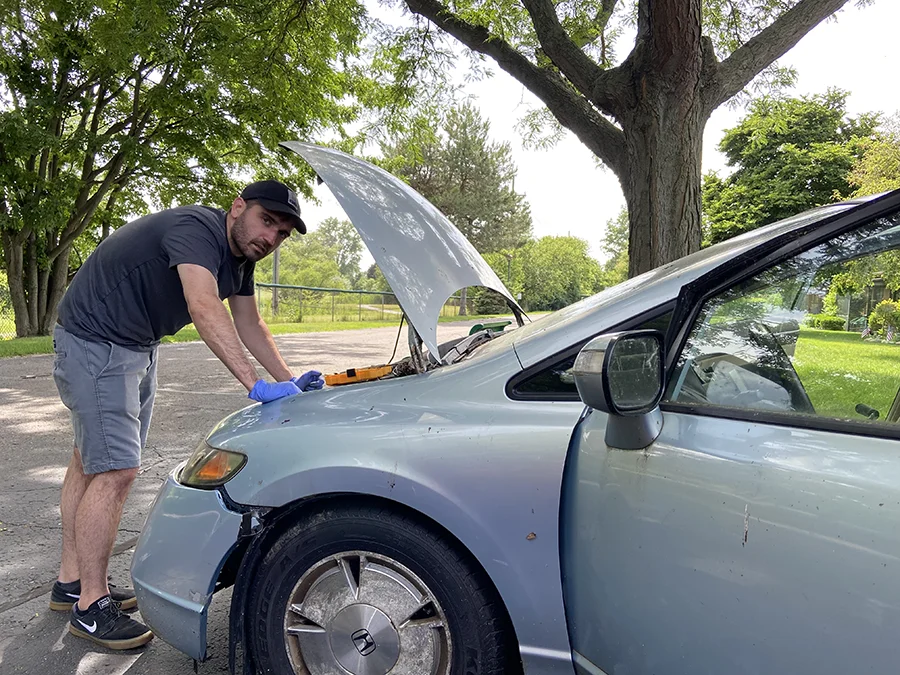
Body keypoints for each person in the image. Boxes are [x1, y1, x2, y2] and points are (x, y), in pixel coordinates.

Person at [48, 180, 324, 649]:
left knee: (89, 461)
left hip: (134, 345)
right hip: (96, 342)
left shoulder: (241, 259)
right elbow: (202, 304)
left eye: (281, 232)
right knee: (116, 470)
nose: (271, 237)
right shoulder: (197, 229)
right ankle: (91, 608)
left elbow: (250, 323)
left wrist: (290, 381)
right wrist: (252, 384)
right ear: (238, 207)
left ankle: (71, 584)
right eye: (267, 221)